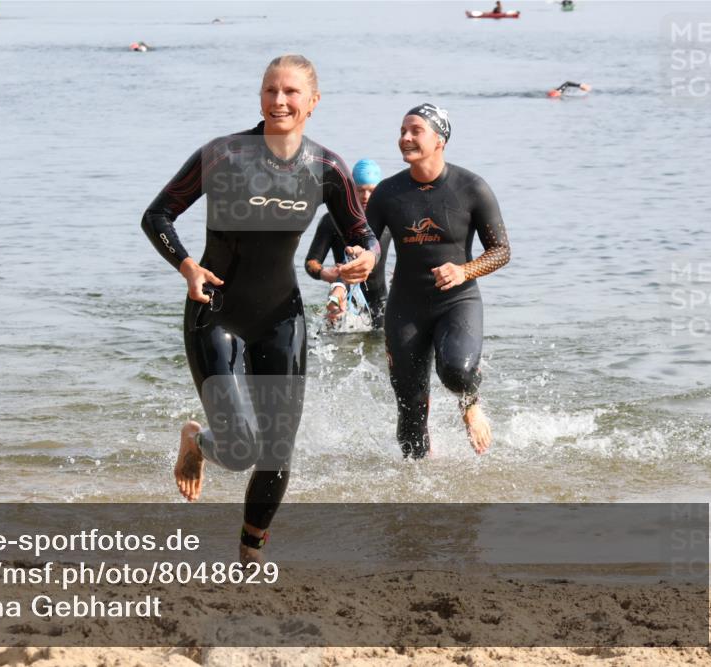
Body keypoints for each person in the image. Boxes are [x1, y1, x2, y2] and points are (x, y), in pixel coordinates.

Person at [141, 55, 379, 560]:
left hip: (279, 317)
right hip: (215, 312)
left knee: (276, 452)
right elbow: (157, 215)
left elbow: (362, 233)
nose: (279, 101)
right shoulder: (224, 155)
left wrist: (367, 259)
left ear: (312, 102)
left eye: (291, 92)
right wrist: (186, 266)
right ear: (260, 97)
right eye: (271, 90)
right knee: (241, 449)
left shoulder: (326, 169)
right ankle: (197, 440)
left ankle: (250, 553)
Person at [367, 103, 510, 459]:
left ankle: (471, 405)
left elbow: (501, 251)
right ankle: (419, 500)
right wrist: (353, 267)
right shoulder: (387, 193)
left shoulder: (471, 188)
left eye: (416, 130)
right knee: (410, 417)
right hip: (406, 307)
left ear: (440, 139)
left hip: (456, 302)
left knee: (457, 371)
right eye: (402, 131)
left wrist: (465, 270)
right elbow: (366, 241)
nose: (405, 138)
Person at [304, 158, 392, 329]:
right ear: (351, 189)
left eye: (371, 191)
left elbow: (409, 250)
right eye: (360, 190)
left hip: (380, 305)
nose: (365, 197)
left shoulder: (387, 221)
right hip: (343, 301)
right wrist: (323, 273)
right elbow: (311, 262)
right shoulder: (331, 221)